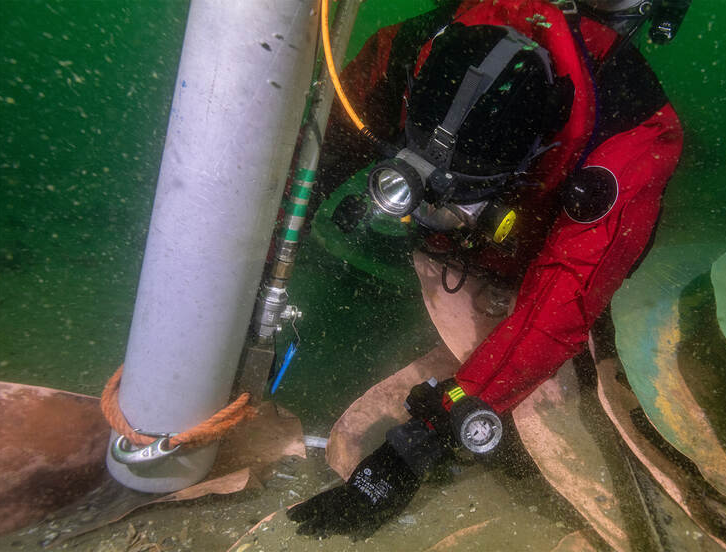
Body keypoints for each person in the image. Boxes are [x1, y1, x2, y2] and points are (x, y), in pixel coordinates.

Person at [288, 0, 685, 538]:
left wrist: (430, 434)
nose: (433, 207)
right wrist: (277, 240)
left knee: (587, 264)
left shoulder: (630, 135)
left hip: (552, 212)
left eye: (468, 197)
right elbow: (324, 144)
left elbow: (563, 298)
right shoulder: (407, 50)